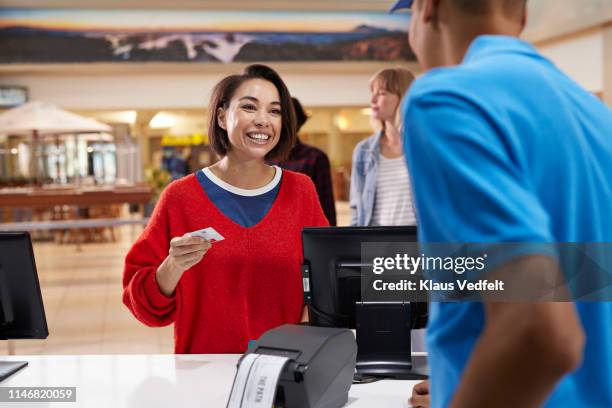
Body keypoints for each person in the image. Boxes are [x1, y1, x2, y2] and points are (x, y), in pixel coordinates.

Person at [391, 0, 612, 407]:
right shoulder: (596, 117)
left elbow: (539, 332)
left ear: (426, 9)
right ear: (523, 15)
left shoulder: (446, 99)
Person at [123, 64, 329, 354]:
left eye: (274, 111)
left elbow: (324, 277)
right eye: (249, 107)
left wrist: (305, 334)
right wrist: (173, 266)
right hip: (204, 374)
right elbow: (143, 306)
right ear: (222, 116)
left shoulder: (301, 191)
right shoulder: (180, 197)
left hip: (284, 370)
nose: (263, 121)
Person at [349, 67, 417, 227]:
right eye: (372, 93)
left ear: (403, 98)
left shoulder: (425, 146)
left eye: (381, 93)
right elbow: (356, 211)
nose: (372, 100)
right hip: (375, 247)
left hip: (420, 246)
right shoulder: (364, 150)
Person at [270, 97, 337, 225]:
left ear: (297, 123)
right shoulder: (263, 158)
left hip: (304, 233)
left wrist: (330, 242)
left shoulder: (315, 157)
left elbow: (326, 208)